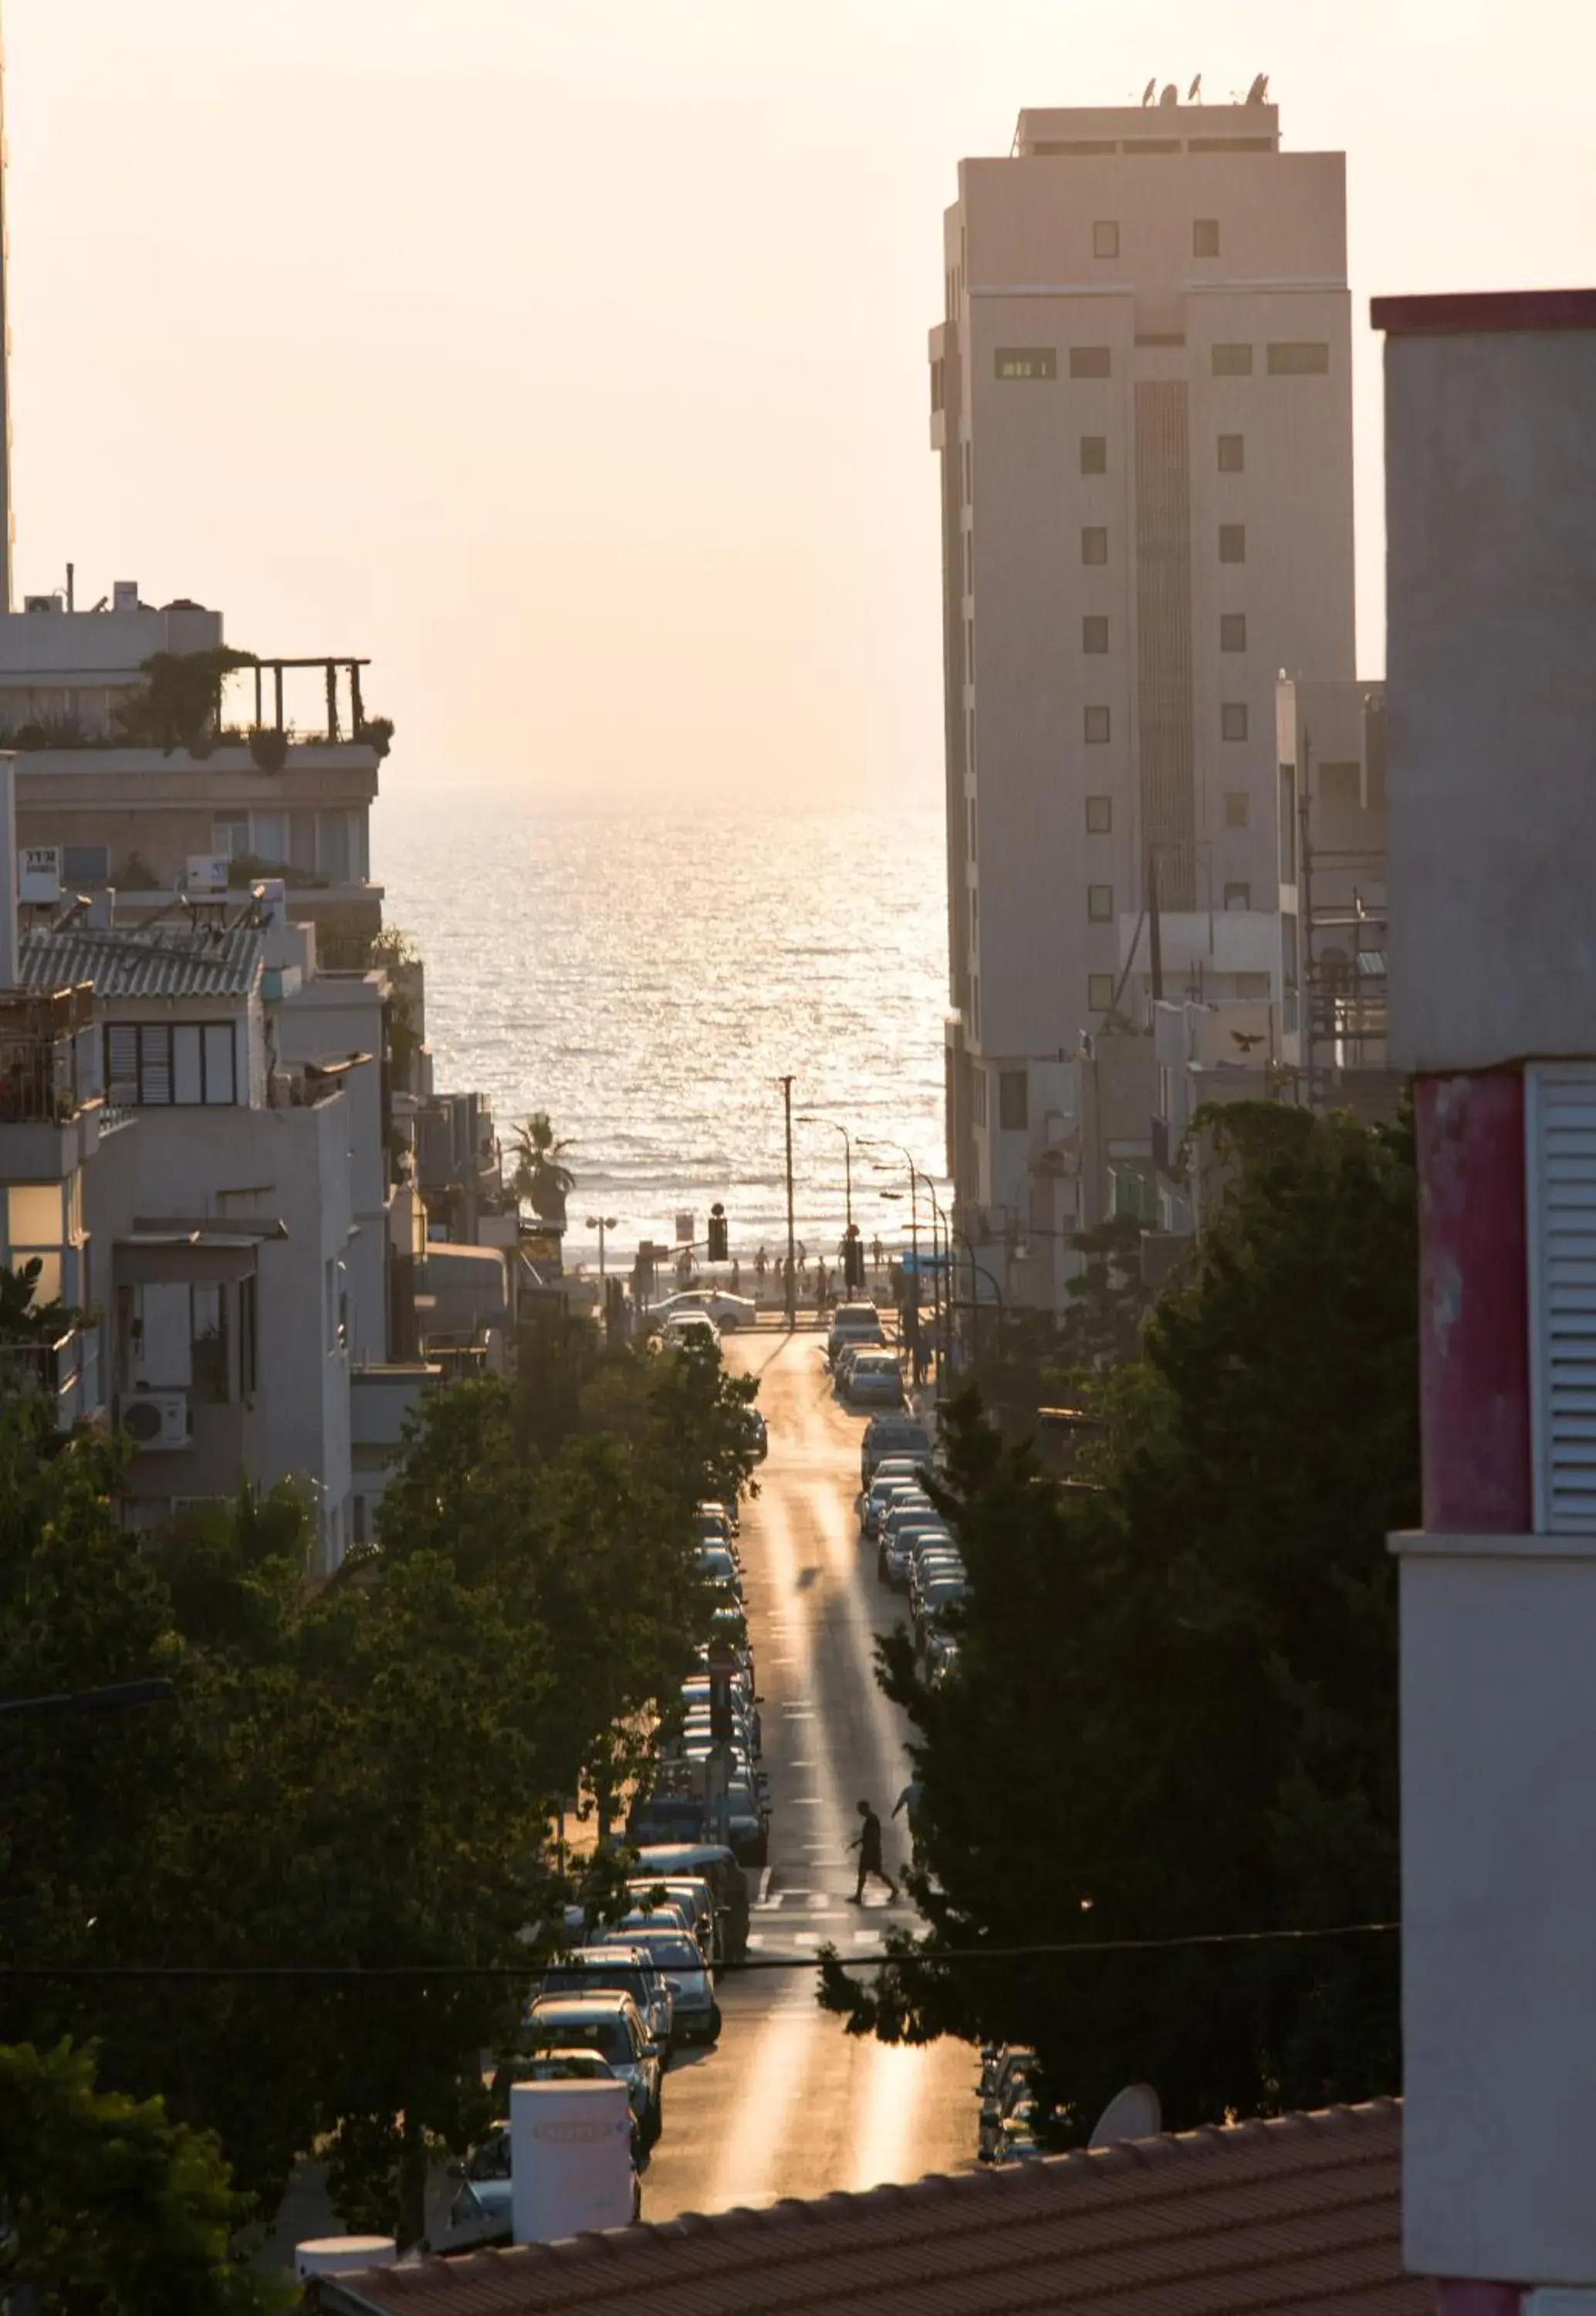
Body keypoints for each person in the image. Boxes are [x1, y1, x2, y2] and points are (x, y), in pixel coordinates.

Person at [847, 1798, 897, 1903]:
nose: (859, 1811)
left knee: (870, 1871)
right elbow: (869, 1835)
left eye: (860, 1809)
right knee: (872, 1872)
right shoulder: (871, 1819)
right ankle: (859, 1895)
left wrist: (867, 1845)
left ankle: (859, 1896)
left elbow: (873, 1835)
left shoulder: (872, 1820)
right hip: (870, 1849)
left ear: (865, 1808)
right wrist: (858, 1842)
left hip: (871, 1850)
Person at [891, 1775, 924, 1859]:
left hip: (913, 1814)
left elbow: (901, 1803)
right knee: (922, 1830)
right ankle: (921, 1842)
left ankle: (916, 1842)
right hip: (923, 1815)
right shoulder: (925, 1789)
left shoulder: (909, 1790)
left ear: (913, 1778)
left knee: (914, 1830)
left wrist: (894, 1813)